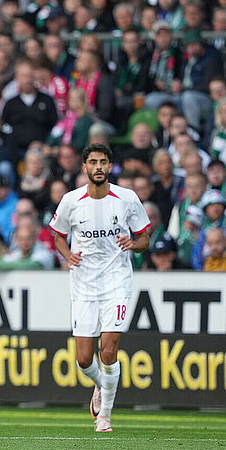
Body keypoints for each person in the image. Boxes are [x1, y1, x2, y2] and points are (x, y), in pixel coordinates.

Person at [49, 144, 150, 433]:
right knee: (83, 359)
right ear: (84, 167)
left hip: (117, 281)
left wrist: (134, 244)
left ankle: (105, 414)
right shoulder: (71, 200)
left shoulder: (127, 199)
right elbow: (57, 235)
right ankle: (100, 384)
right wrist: (67, 254)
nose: (98, 167)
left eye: (103, 162)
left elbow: (144, 238)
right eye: (93, 162)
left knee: (108, 351)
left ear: (110, 166)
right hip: (83, 285)